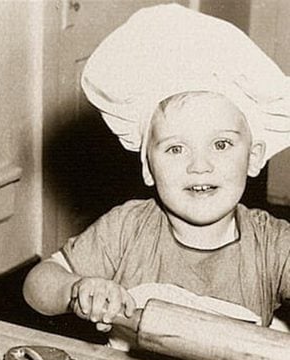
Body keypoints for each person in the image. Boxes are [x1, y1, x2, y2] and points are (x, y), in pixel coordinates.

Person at [23, 4, 290, 336]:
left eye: (221, 144)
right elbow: (38, 284)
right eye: (176, 149)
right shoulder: (127, 229)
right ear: (148, 167)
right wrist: (75, 289)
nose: (200, 165)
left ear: (253, 157)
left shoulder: (272, 245)